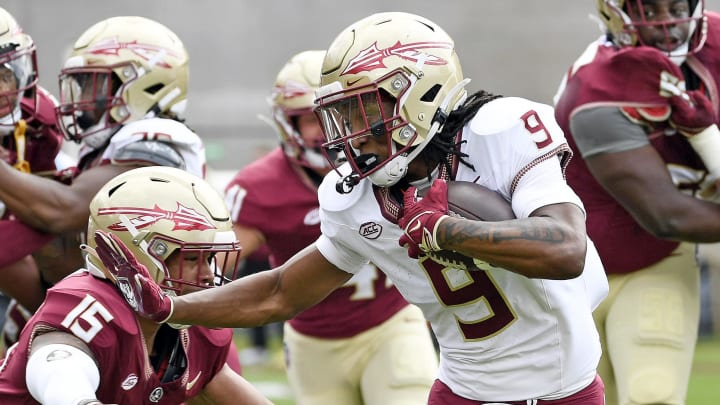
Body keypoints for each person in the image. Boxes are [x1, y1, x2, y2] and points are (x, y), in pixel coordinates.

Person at [96, 12, 609, 404]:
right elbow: (278, 292)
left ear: (419, 93)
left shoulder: (501, 130)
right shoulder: (355, 196)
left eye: (359, 109)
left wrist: (447, 232)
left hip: (564, 390)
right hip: (461, 391)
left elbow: (566, 249)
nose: (345, 133)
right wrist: (170, 308)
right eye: (339, 114)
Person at [224, 49, 437, 404]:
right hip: (313, 342)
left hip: (390, 325)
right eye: (313, 118)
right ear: (286, 124)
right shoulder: (257, 187)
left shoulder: (393, 166)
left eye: (345, 115)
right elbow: (216, 269)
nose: (332, 131)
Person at [553, 1, 720, 404]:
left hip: (657, 261)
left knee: (652, 394)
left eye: (677, 4)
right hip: (574, 274)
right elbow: (667, 215)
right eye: (650, 9)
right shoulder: (598, 90)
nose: (668, 23)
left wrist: (705, 136)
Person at [0, 15, 204, 342]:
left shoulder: (160, 138)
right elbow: (57, 260)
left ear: (143, 85)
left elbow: (63, 210)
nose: (78, 98)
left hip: (169, 331)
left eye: (91, 83)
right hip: (113, 315)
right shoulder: (102, 150)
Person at [0, 166, 270, 405]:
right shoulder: (90, 307)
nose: (209, 275)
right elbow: (59, 368)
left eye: (210, 258)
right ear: (142, 254)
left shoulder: (193, 329)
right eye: (191, 258)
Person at [0, 6, 69, 324]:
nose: (3, 88)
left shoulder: (36, 118)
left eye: (5, 72)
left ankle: (53, 316)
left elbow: (53, 213)